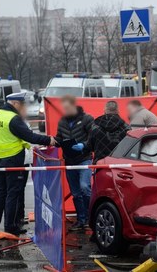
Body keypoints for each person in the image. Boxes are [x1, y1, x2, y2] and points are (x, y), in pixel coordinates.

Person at [0, 92, 55, 235]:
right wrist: (49, 140)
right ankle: (10, 227)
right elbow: (29, 136)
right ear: (16, 104)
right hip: (13, 160)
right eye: (22, 104)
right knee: (13, 194)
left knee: (0, 193)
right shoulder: (13, 118)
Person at [55, 95, 94, 231]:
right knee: (76, 192)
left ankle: (91, 218)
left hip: (84, 158)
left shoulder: (87, 119)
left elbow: (93, 137)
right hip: (69, 160)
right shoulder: (62, 122)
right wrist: (54, 142)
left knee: (84, 187)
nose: (65, 110)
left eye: (67, 107)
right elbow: (59, 138)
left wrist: (84, 145)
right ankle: (81, 219)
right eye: (63, 108)